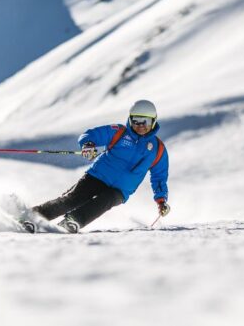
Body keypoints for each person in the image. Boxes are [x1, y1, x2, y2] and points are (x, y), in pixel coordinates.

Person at [23, 100, 170, 233]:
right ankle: (31, 216)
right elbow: (91, 135)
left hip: (121, 190)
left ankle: (73, 221)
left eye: (145, 121)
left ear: (153, 121)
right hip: (98, 176)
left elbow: (159, 177)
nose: (140, 126)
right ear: (130, 119)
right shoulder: (119, 132)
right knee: (73, 199)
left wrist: (161, 200)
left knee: (105, 201)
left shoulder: (158, 150)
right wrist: (88, 145)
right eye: (136, 120)